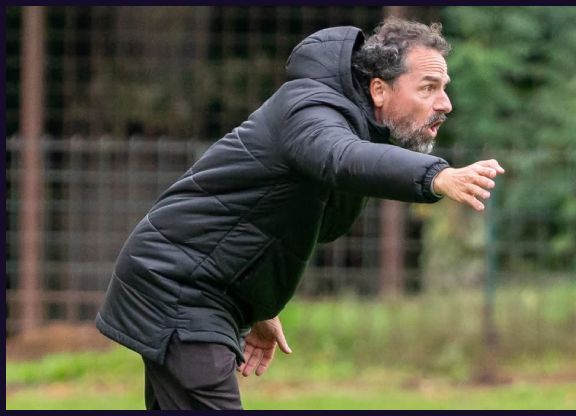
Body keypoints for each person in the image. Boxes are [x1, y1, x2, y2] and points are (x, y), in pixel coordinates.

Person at [95, 17, 504, 410]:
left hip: (198, 288)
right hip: (178, 286)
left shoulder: (355, 126)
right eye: (429, 87)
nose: (445, 104)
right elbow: (341, 158)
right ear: (379, 90)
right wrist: (436, 176)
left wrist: (259, 304)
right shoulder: (311, 109)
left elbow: (268, 223)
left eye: (443, 88)